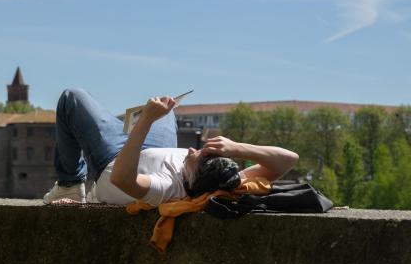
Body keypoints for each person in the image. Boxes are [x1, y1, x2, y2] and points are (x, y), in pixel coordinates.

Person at [43, 88, 299, 206]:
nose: (190, 150)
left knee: (72, 99)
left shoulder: (165, 187)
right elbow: (288, 159)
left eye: (193, 158)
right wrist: (238, 148)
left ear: (191, 177)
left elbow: (122, 177)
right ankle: (110, 122)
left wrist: (145, 121)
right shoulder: (222, 179)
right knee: (167, 110)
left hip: (114, 157)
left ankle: (70, 185)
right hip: (151, 146)